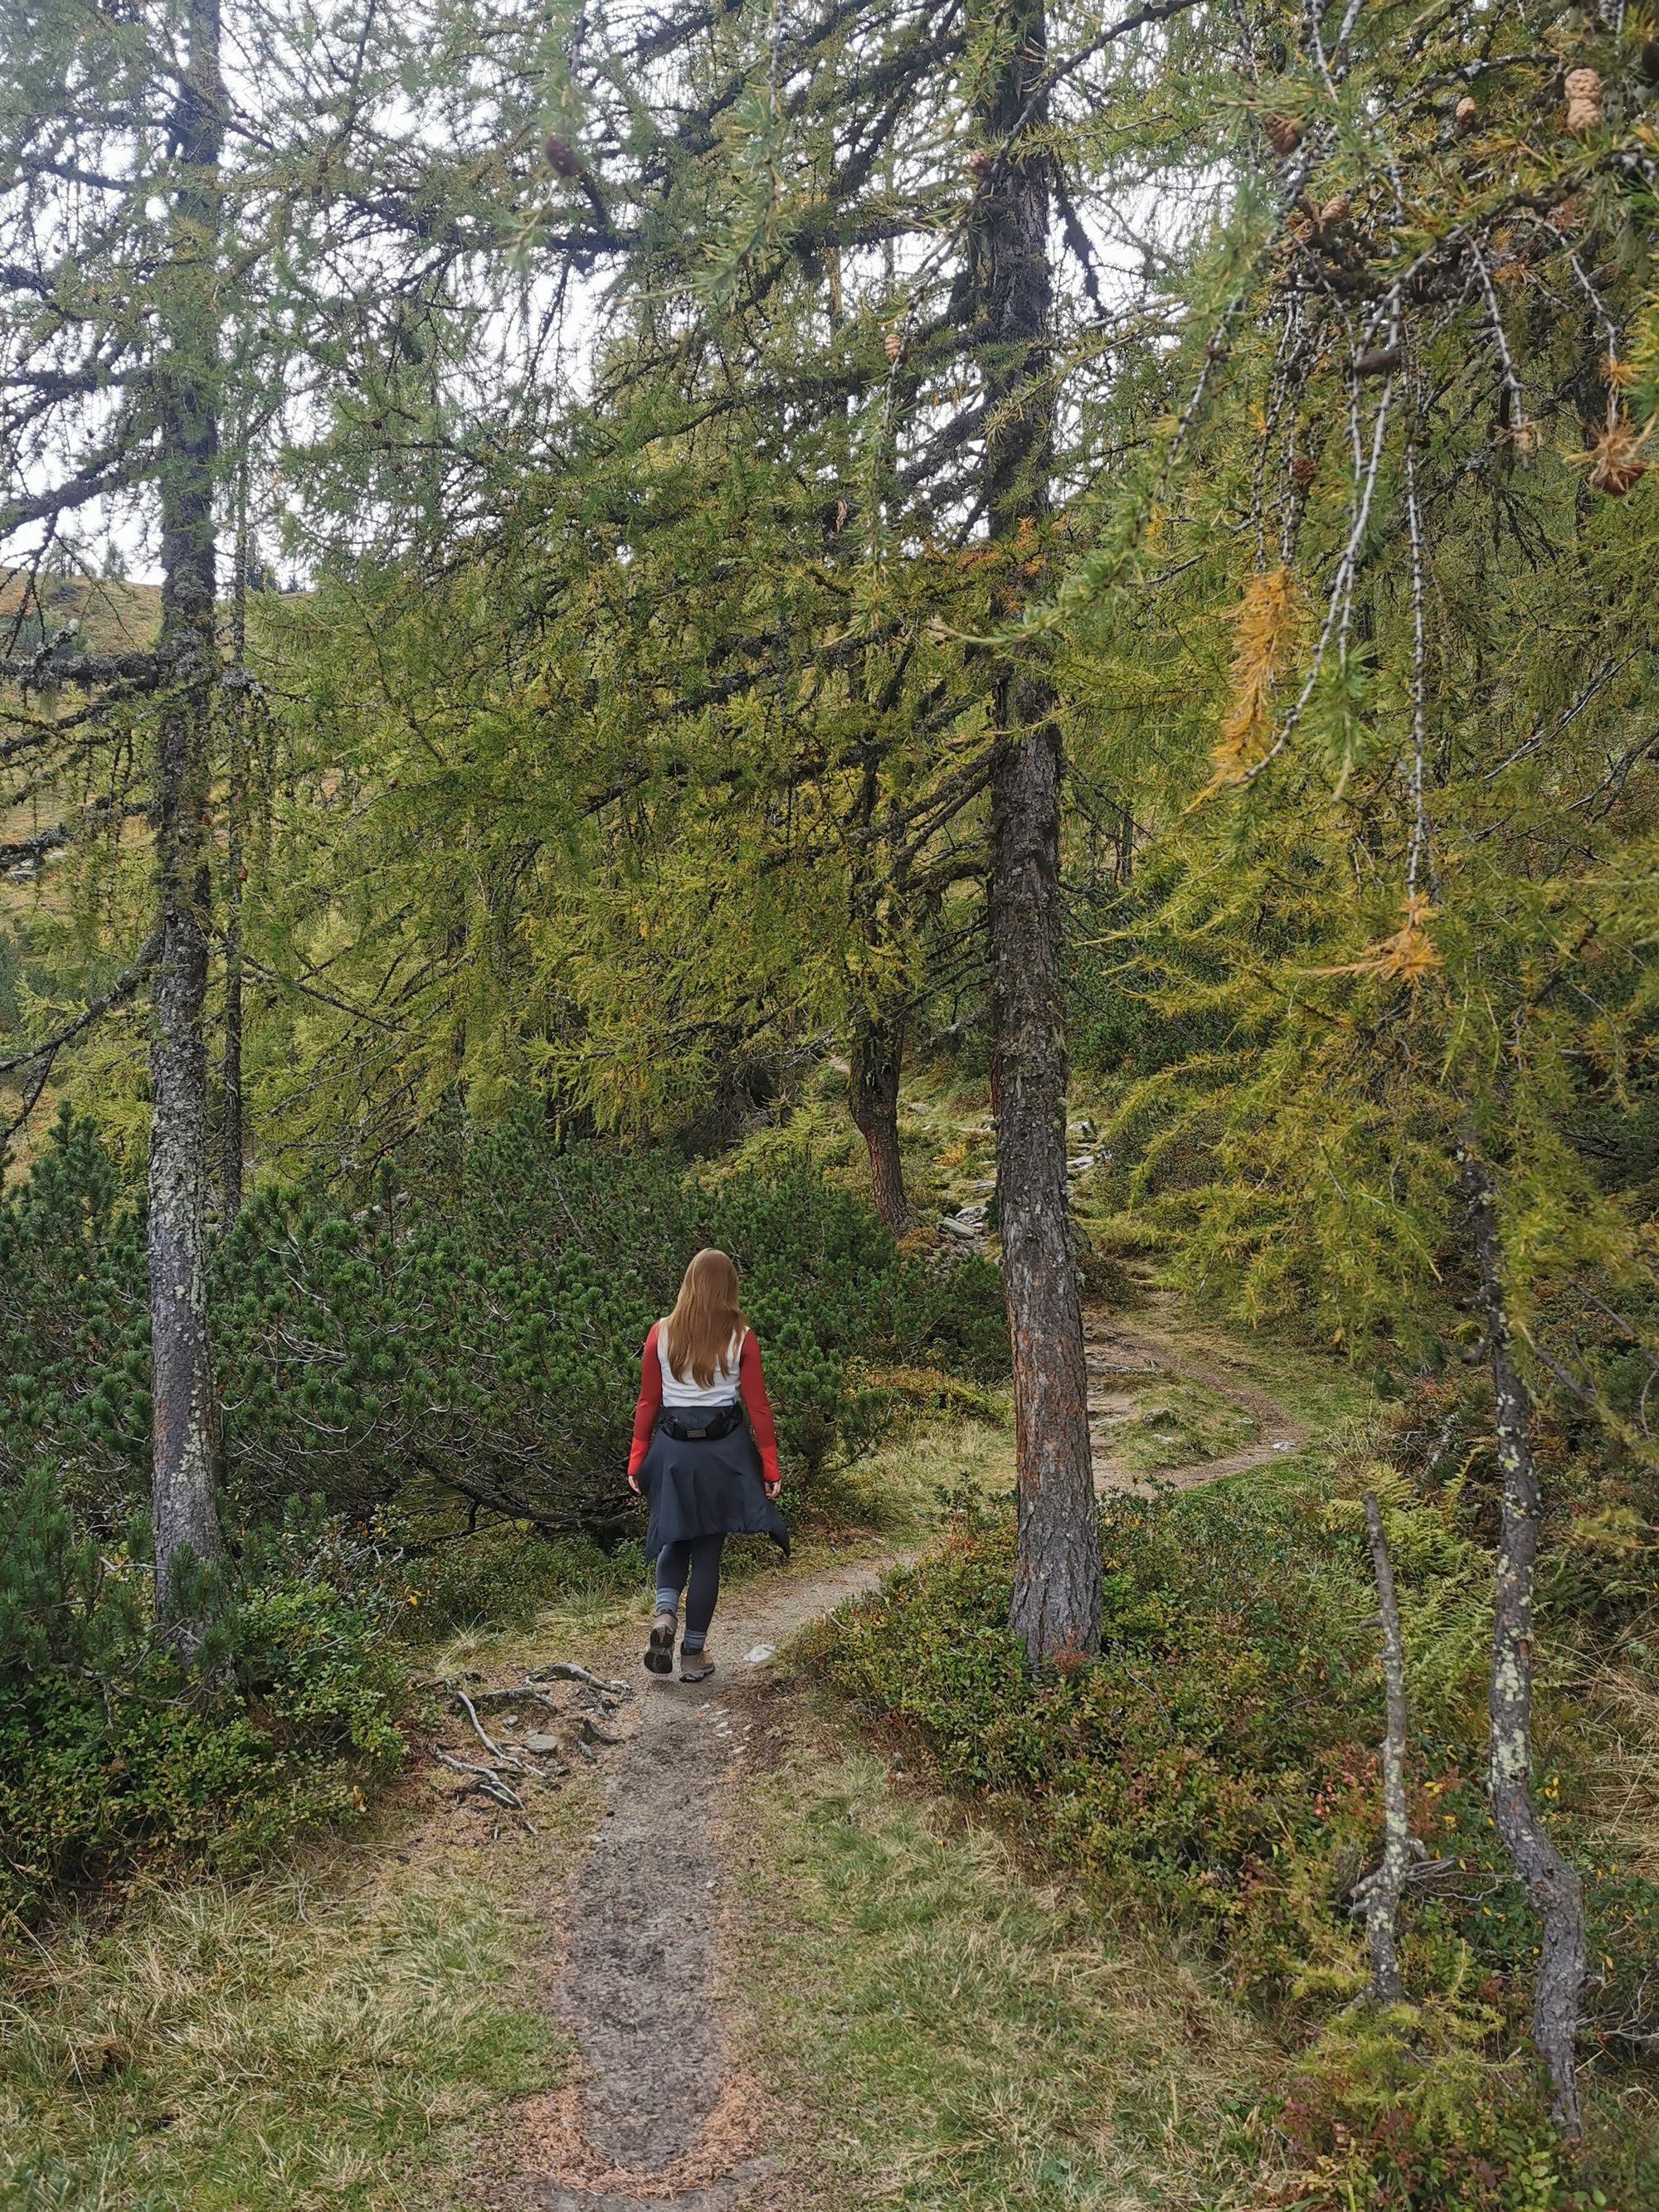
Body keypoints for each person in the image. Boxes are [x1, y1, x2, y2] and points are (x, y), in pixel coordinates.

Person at [627, 1247, 787, 1682]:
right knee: (708, 1551)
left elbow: (648, 1401)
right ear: (728, 1287)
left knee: (673, 1539)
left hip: (674, 1454)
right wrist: (769, 1465)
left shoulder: (660, 1333)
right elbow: (758, 1408)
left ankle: (664, 1616)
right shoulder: (742, 1336)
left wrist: (637, 1457)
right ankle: (693, 1656)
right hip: (723, 1453)